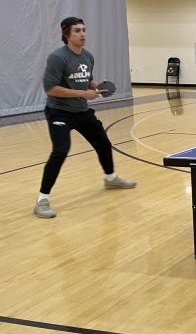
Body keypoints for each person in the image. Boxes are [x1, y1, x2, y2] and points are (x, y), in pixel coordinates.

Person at [34, 17, 136, 219]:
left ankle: (110, 178)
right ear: (67, 35)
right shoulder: (57, 57)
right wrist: (82, 94)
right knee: (60, 151)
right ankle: (41, 200)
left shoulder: (87, 56)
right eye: (77, 31)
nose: (82, 34)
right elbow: (50, 89)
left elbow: (87, 80)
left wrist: (96, 88)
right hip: (59, 112)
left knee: (103, 143)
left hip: (81, 111)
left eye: (84, 30)